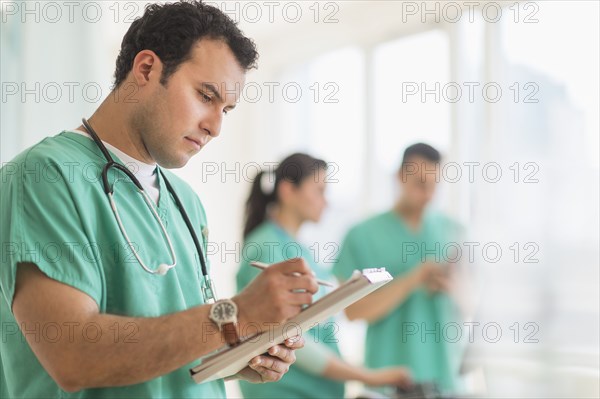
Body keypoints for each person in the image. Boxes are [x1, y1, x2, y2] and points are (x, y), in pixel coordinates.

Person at [0, 2, 318, 397]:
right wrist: (235, 314)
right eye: (206, 95)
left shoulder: (185, 202)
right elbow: (73, 353)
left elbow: (176, 340)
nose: (215, 126)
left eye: (226, 110)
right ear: (147, 69)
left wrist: (241, 351)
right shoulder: (45, 177)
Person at [236, 153, 413, 398]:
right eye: (319, 190)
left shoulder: (301, 250)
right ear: (288, 190)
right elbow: (289, 335)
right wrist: (369, 376)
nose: (326, 202)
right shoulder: (265, 246)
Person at [333, 143, 466, 394]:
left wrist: (452, 287)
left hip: (446, 381)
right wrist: (413, 279)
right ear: (399, 177)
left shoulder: (454, 232)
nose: (428, 194)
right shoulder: (362, 235)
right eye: (420, 184)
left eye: (434, 185)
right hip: (388, 383)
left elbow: (473, 304)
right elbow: (351, 312)